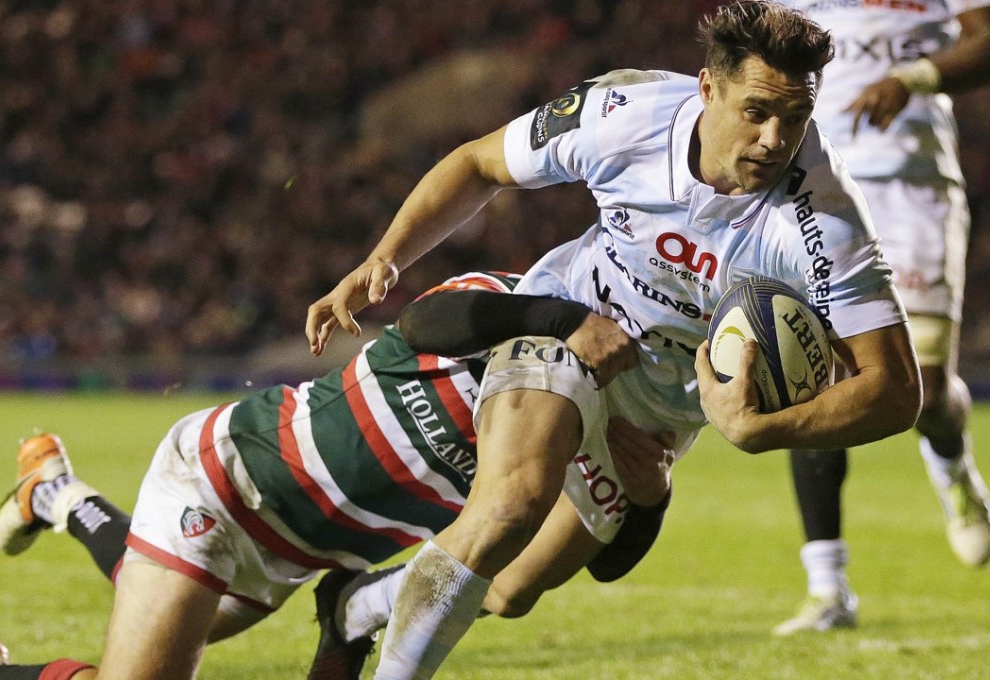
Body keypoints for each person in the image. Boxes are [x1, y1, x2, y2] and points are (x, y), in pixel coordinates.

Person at [305, 2, 922, 677]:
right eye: (756, 111)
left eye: (795, 117)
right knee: (509, 510)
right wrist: (386, 257)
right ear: (707, 88)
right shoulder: (622, 114)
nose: (777, 139)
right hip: (569, 323)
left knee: (511, 591)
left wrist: (759, 430)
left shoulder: (825, 222)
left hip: (659, 413)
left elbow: (894, 391)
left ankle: (353, 607)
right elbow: (479, 164)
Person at [0, 272, 676, 680]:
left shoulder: (614, 420)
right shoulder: (511, 308)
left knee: (148, 630)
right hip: (227, 484)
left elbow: (596, 559)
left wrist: (651, 500)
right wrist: (562, 317)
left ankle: (57, 492)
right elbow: (426, 318)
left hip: (300, 556)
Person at [769, 1, 990, 636]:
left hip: (911, 185)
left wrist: (914, 77)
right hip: (816, 191)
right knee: (814, 375)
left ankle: (954, 467)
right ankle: (828, 587)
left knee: (920, 385)